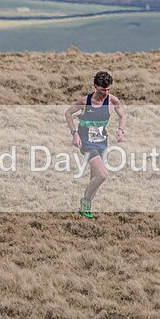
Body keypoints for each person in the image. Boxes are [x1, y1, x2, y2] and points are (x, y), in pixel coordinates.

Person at [65, 71, 127, 219]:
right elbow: (68, 113)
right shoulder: (85, 101)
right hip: (86, 143)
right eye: (102, 90)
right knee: (102, 175)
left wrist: (120, 130)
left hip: (102, 143)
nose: (105, 93)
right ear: (95, 87)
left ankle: (85, 212)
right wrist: (74, 133)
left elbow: (123, 115)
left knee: (95, 179)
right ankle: (85, 201)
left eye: (108, 89)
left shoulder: (112, 100)